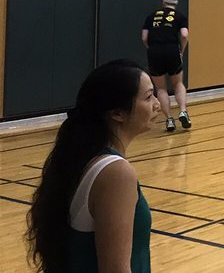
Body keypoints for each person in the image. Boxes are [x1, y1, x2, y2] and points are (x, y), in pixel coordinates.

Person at [27, 60, 158, 273]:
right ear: (117, 113)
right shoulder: (116, 173)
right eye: (148, 96)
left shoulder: (81, 157)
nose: (157, 104)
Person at [141, 0, 190, 132]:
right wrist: (181, 50)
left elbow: (144, 38)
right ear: (176, 4)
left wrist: (152, 49)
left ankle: (169, 120)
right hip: (172, 50)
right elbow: (185, 35)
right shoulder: (180, 16)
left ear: (163, 3)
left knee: (161, 88)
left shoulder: (151, 16)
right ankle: (182, 111)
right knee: (178, 83)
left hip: (154, 51)